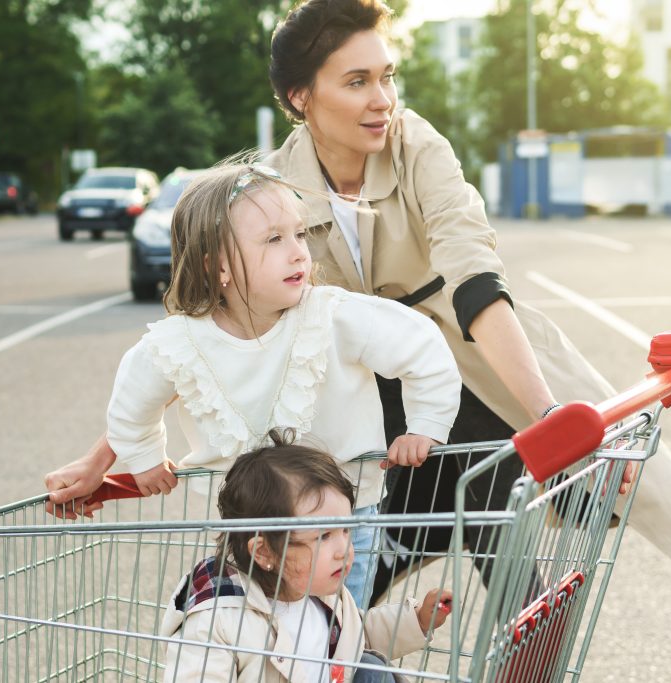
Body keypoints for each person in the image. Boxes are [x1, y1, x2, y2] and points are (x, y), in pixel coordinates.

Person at [49, 0, 671, 586]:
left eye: (387, 77)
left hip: (468, 359)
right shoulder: (271, 194)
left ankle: (518, 627)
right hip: (362, 396)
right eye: (357, 81)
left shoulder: (418, 148)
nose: (383, 100)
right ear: (300, 98)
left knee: (497, 493)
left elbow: (472, 274)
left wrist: (551, 413)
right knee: (339, 554)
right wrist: (103, 456)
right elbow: (206, 333)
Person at [53, 162, 462, 607]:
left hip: (342, 522)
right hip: (250, 534)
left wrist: (425, 425)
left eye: (300, 234)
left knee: (336, 637)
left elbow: (422, 348)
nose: (299, 252)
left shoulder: (332, 317)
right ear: (218, 266)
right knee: (258, 639)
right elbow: (133, 400)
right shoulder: (183, 343)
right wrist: (145, 457)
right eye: (274, 239)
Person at [159, 434, 452, 683]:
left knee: (370, 670)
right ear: (264, 552)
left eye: (345, 531)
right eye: (324, 536)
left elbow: (359, 634)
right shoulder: (218, 621)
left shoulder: (321, 597)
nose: (343, 549)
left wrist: (418, 620)